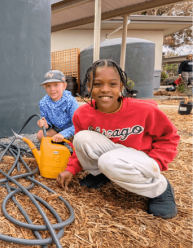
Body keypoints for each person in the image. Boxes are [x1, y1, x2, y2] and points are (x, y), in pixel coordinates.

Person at [56, 59, 180, 219]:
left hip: (142, 161)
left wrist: (157, 162)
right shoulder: (83, 114)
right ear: (88, 87)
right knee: (81, 138)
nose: (105, 90)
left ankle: (159, 189)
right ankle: (102, 174)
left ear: (121, 86)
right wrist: (70, 169)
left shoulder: (143, 110)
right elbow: (79, 148)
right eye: (98, 84)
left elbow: (169, 136)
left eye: (112, 84)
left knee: (108, 160)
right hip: (113, 158)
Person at [37, 70, 78, 142]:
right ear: (45, 88)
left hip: (70, 131)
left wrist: (63, 134)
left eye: (56, 85)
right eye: (48, 86)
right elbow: (48, 122)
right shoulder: (43, 103)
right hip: (55, 132)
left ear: (64, 86)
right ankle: (57, 145)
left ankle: (71, 145)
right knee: (40, 135)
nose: (52, 89)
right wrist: (46, 125)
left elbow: (76, 124)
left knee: (79, 139)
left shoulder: (71, 101)